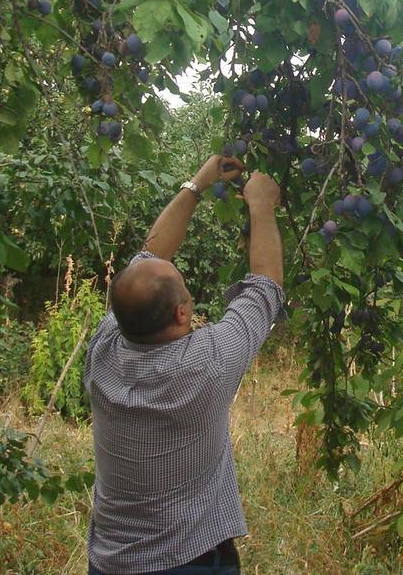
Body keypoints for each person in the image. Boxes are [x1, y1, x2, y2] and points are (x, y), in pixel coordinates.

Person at [84, 154, 284, 575]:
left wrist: (197, 185)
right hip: (187, 562)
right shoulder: (205, 367)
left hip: (110, 563)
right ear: (180, 314)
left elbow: (147, 258)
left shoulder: (103, 348)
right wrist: (262, 205)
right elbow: (266, 285)